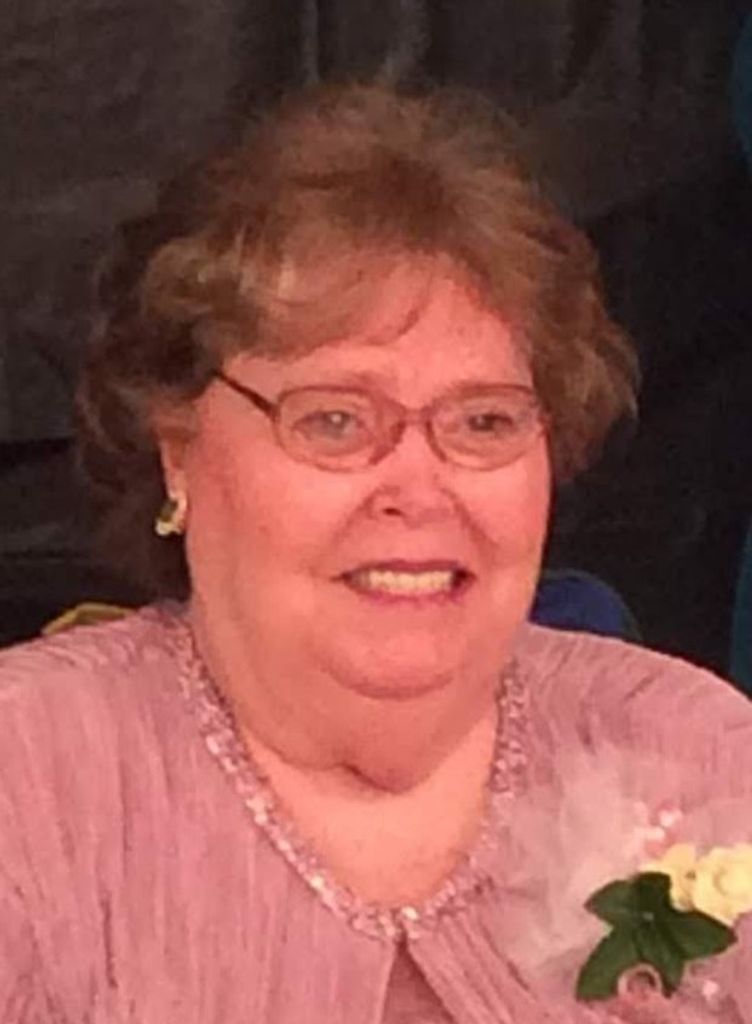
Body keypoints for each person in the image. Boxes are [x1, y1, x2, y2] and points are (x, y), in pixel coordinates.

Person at [0, 83, 750, 1024]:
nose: (419, 487)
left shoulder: (697, 751)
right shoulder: (26, 786)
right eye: (336, 420)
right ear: (178, 451)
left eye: (483, 421)